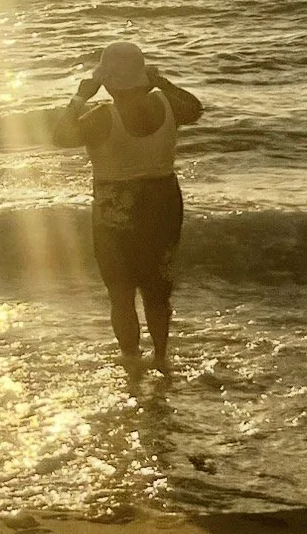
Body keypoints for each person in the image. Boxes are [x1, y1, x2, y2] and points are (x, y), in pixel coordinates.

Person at [54, 40, 202, 371]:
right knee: (157, 288)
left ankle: (132, 360)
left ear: (106, 79)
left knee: (121, 293)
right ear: (142, 74)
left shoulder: (102, 116)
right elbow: (196, 108)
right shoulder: (166, 105)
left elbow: (61, 136)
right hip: (163, 202)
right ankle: (162, 357)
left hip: (116, 209)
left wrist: (81, 96)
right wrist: (161, 81)